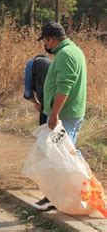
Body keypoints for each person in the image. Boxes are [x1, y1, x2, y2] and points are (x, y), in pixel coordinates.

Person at [34, 21, 87, 211]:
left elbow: (65, 86)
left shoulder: (65, 54)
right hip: (69, 113)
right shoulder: (73, 51)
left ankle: (60, 197)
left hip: (65, 114)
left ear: (51, 39)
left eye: (45, 41)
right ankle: (81, 190)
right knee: (69, 153)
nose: (45, 45)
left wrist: (54, 113)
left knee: (61, 157)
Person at [23, 55, 51, 125]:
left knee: (45, 131)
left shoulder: (31, 63)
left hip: (46, 103)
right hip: (61, 101)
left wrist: (36, 103)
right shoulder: (52, 63)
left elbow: (27, 93)